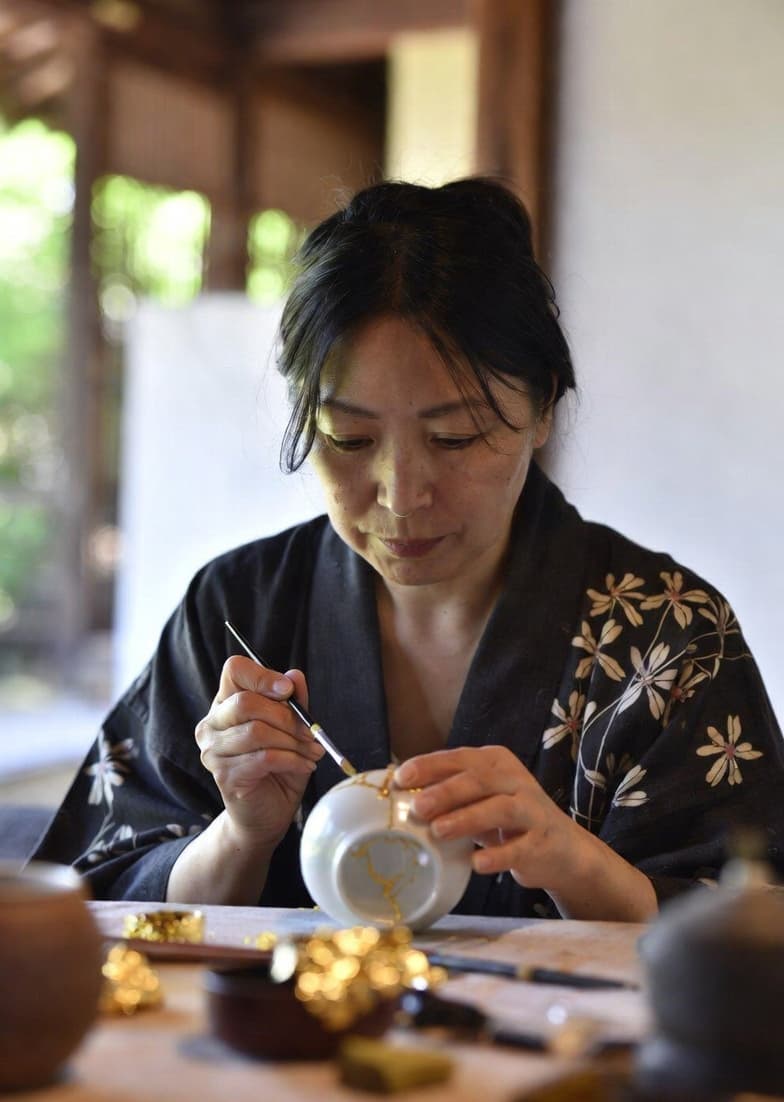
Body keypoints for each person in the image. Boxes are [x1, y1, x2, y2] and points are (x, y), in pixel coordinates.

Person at [32, 178, 784, 921]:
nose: (400, 494)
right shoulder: (239, 611)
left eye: (454, 437)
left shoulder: (670, 635)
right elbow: (83, 902)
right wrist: (241, 834)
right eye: (350, 439)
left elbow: (755, 929)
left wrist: (573, 861)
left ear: (544, 408)